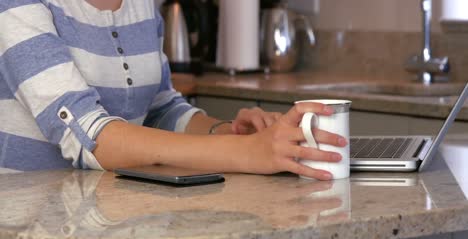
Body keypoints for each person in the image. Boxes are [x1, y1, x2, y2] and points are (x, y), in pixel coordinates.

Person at [0, 0, 347, 180]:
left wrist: (226, 131)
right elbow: (92, 139)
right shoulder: (16, 5)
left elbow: (162, 109)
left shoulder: (141, 6)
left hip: (111, 212)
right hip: (33, 231)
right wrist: (244, 151)